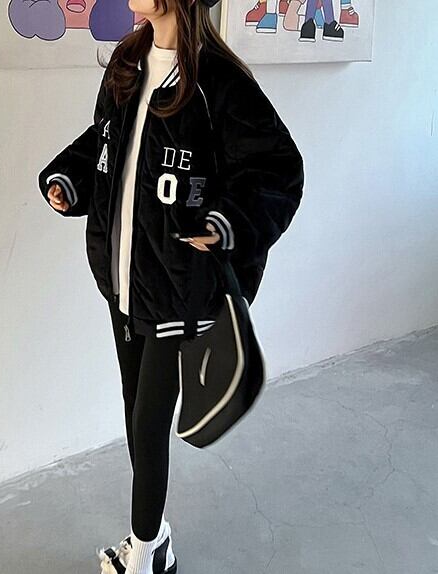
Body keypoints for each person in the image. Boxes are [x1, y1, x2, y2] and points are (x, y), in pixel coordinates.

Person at [38, 0, 304, 571]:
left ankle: (146, 551)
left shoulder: (218, 82)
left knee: (149, 420)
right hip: (123, 278)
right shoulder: (128, 62)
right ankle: (154, 536)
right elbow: (105, 142)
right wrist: (69, 178)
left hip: (178, 287)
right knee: (135, 409)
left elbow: (277, 169)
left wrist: (226, 225)